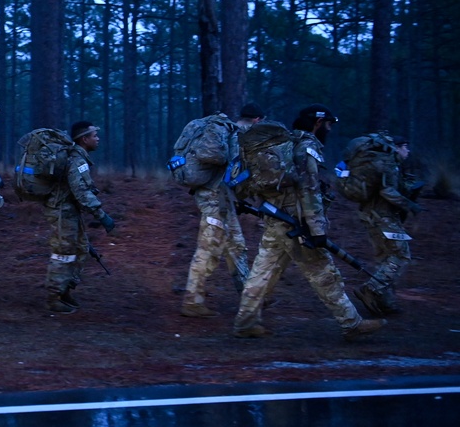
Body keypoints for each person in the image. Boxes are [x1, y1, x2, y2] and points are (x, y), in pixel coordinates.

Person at [233, 105, 385, 340]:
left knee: (261, 273)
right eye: (328, 124)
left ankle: (245, 322)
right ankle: (351, 322)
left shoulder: (287, 144)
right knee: (322, 270)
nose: (330, 129)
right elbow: (309, 188)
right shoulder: (306, 146)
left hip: (275, 219)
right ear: (317, 122)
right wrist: (316, 229)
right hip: (296, 222)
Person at [179, 104, 264, 318]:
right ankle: (192, 300)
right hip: (214, 200)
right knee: (208, 248)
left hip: (221, 199)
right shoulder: (237, 135)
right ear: (257, 120)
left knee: (237, 246)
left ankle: (249, 297)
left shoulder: (229, 133)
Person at [41, 121, 115, 313]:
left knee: (81, 250)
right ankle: (53, 297)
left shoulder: (79, 159)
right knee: (63, 254)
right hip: (61, 213)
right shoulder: (77, 161)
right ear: (84, 139)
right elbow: (82, 193)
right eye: (94, 135)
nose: (97, 139)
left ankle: (65, 290)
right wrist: (101, 215)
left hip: (70, 212)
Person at [352, 135, 420, 316]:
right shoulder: (390, 164)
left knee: (384, 258)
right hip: (383, 218)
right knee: (401, 254)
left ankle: (385, 302)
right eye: (405, 146)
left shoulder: (383, 164)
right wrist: (409, 205)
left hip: (371, 216)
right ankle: (372, 289)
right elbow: (387, 191)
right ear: (397, 147)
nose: (408, 150)